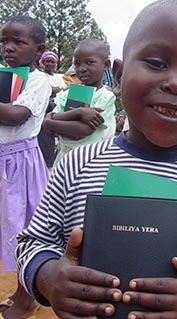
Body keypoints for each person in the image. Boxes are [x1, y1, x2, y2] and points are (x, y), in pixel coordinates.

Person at [14, 1, 177, 319]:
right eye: (156, 63)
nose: (176, 83)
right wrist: (48, 277)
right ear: (120, 75)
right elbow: (32, 242)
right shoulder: (76, 165)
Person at [0, 15, 51, 319]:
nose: (8, 48)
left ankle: (24, 300)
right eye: (4, 41)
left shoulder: (38, 80)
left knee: (23, 232)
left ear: (38, 49)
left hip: (21, 166)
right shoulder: (4, 75)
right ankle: (15, 292)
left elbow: (17, 115)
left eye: (18, 42)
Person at [43, 38, 116, 166]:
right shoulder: (66, 94)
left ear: (106, 65)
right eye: (77, 64)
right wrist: (79, 113)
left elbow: (84, 129)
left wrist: (51, 123)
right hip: (63, 161)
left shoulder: (106, 97)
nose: (82, 69)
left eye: (89, 62)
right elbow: (51, 120)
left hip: (88, 165)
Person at [38, 50, 67, 170]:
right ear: (42, 62)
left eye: (52, 62)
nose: (49, 64)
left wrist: (57, 90)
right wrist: (56, 90)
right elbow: (51, 90)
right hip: (44, 108)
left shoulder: (58, 77)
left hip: (57, 107)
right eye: (47, 61)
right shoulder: (40, 76)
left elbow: (64, 90)